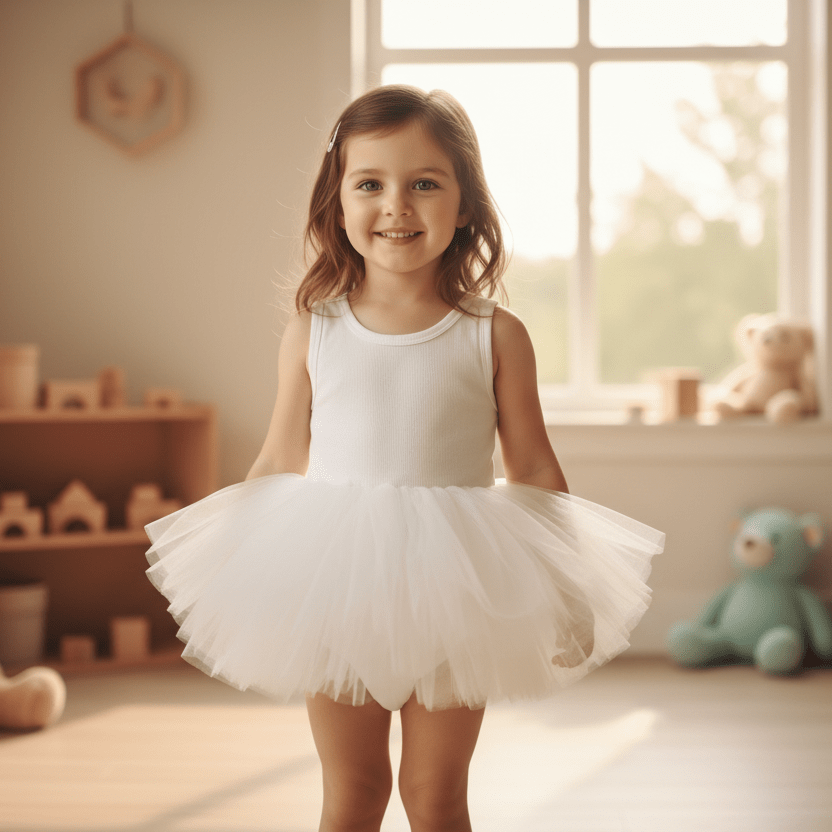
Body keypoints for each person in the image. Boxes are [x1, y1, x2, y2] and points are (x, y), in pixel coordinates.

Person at [145, 84, 664, 832]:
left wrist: (570, 593)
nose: (397, 205)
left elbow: (535, 470)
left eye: (425, 183)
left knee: (435, 793)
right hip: (337, 582)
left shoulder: (495, 333)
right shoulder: (312, 332)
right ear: (339, 202)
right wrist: (234, 571)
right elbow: (280, 457)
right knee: (353, 792)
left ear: (464, 206)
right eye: (371, 184)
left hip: (461, 584)